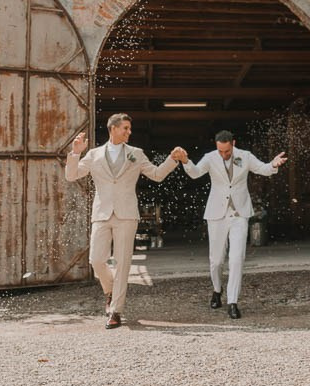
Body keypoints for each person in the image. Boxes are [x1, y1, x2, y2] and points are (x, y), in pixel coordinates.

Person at [65, 113, 178, 329]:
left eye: (129, 128)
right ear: (113, 129)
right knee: (96, 260)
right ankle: (109, 291)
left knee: (123, 262)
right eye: (125, 128)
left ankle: (115, 310)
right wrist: (75, 153)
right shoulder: (94, 154)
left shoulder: (136, 153)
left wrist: (172, 160)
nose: (129, 132)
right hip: (101, 213)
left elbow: (156, 174)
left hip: (126, 214)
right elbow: (72, 176)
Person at [178, 131, 286, 319]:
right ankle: (217, 290)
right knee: (217, 260)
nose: (224, 154)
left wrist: (273, 165)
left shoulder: (245, 156)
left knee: (237, 258)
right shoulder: (210, 157)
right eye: (221, 151)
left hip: (240, 213)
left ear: (233, 144)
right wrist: (186, 161)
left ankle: (233, 302)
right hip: (216, 214)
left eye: (227, 151)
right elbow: (195, 173)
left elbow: (262, 168)